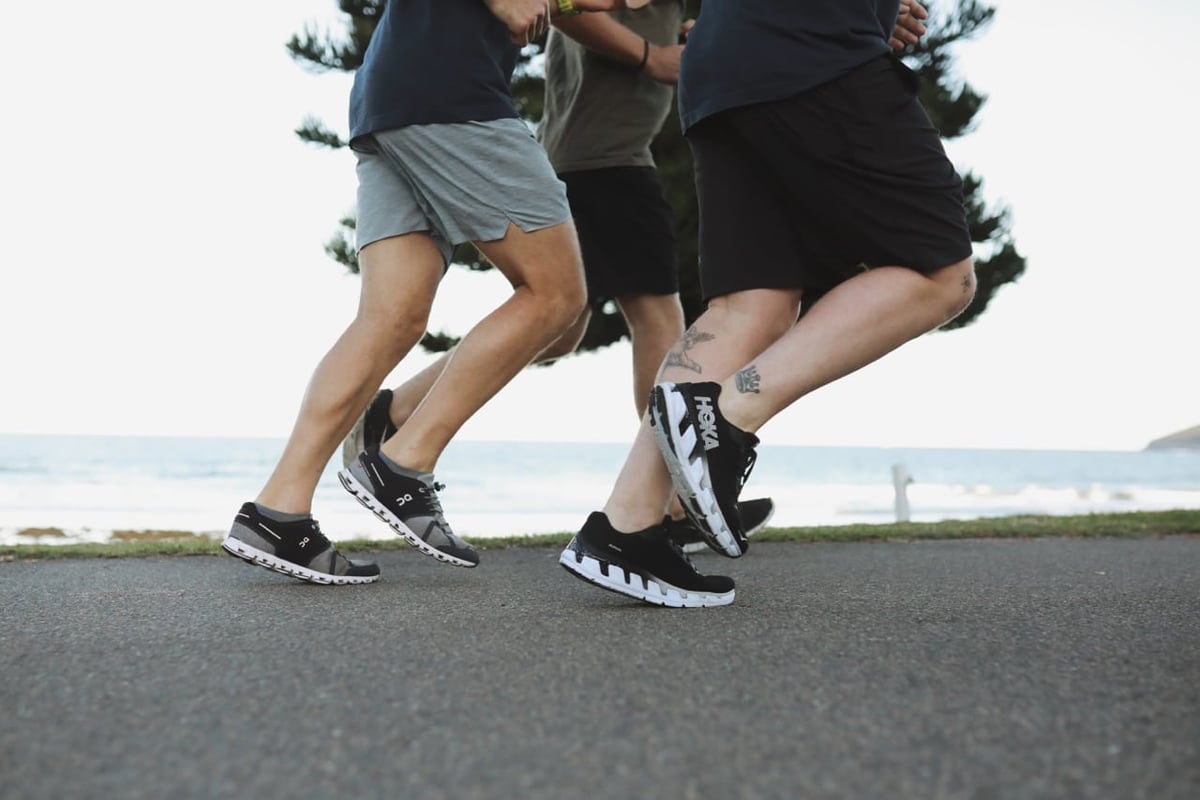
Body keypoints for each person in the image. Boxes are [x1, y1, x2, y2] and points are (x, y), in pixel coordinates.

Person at [559, 0, 976, 607]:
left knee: (751, 304)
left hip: (722, 67)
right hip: (812, 52)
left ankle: (626, 526)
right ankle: (725, 418)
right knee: (941, 273)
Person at [221, 0, 630, 585]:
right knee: (557, 297)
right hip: (452, 96)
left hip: (393, 97)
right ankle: (404, 462)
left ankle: (277, 512)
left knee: (391, 316)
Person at [345, 0, 775, 555]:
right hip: (608, 158)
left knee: (562, 327)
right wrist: (650, 55)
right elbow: (570, 10)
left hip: (593, 155)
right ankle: (668, 500)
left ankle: (393, 411)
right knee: (656, 315)